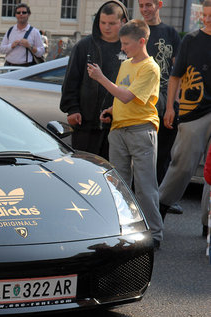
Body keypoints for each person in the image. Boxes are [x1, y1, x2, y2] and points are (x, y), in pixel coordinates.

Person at [88, 19, 163, 248]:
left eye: (126, 44)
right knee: (119, 185)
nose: (122, 48)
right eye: (122, 43)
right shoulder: (127, 64)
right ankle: (122, 230)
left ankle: (155, 235)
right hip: (119, 129)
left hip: (141, 130)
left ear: (142, 41)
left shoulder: (150, 67)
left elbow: (127, 96)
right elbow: (124, 95)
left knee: (144, 186)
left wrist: (101, 78)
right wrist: (112, 110)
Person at [159, 0, 211, 228]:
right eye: (205, 15)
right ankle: (159, 208)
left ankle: (207, 223)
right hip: (193, 114)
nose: (207, 20)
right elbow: (175, 76)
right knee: (181, 165)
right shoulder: (191, 40)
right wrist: (170, 107)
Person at [60, 1, 129, 160]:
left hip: (118, 125)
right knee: (83, 170)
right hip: (85, 123)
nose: (106, 27)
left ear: (123, 22)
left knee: (113, 173)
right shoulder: (83, 46)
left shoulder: (130, 47)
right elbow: (71, 80)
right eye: (102, 22)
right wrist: (72, 109)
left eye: (112, 23)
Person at [138, 0, 182, 201]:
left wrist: (173, 103)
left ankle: (162, 200)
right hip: (141, 101)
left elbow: (178, 71)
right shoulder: (136, 30)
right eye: (141, 5)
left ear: (159, 5)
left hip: (165, 101)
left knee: (163, 154)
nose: (145, 9)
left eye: (149, 4)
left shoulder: (171, 33)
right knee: (142, 155)